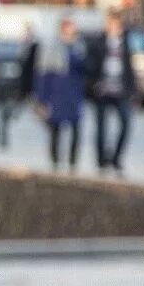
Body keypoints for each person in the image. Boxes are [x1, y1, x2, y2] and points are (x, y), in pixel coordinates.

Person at [33, 17, 87, 171]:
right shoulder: (51, 47)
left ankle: (72, 163)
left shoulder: (79, 48)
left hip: (73, 94)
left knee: (76, 129)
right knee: (55, 131)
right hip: (56, 94)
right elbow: (43, 74)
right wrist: (41, 99)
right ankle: (55, 163)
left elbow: (84, 69)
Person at [88, 10, 137, 173]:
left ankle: (116, 158)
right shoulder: (98, 42)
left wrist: (132, 91)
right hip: (102, 91)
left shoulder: (125, 43)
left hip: (120, 91)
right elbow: (91, 66)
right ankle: (101, 159)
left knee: (126, 123)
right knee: (101, 127)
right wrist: (94, 85)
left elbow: (129, 68)